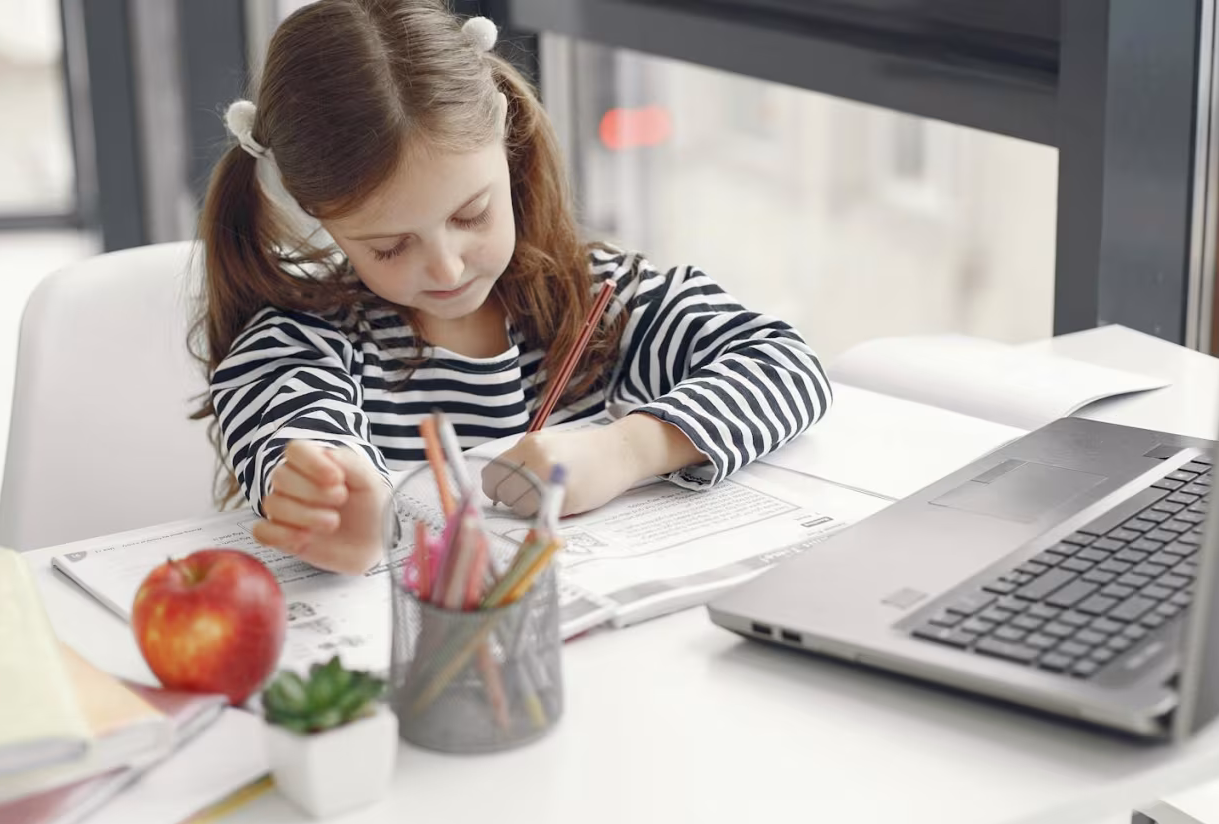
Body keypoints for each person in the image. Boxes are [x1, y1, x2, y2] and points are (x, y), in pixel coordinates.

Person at [194, 0, 831, 575]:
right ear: (320, 216)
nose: (446, 269)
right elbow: (291, 430)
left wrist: (625, 450)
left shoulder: (595, 298)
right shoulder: (299, 344)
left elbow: (788, 365)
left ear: (509, 141)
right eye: (389, 246)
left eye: (471, 215)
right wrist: (340, 505)